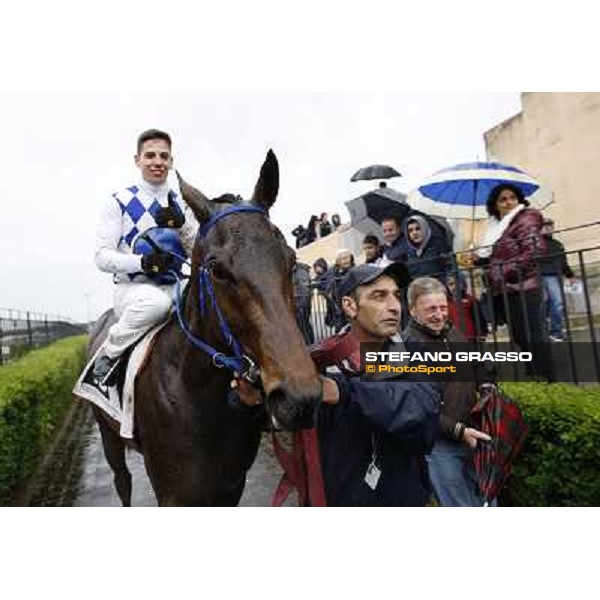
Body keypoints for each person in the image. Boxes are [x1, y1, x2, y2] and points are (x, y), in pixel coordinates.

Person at [316, 264, 441, 506]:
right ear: (350, 306)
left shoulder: (415, 352)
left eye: (396, 295)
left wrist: (345, 393)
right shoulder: (321, 360)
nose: (394, 306)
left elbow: (423, 411)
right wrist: (249, 401)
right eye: (379, 296)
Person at [92, 129, 198, 383]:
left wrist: (182, 225)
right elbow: (102, 256)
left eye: (164, 156)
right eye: (150, 155)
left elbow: (198, 253)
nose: (157, 162)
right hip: (133, 290)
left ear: (171, 161)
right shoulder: (119, 201)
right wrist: (142, 262)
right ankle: (108, 354)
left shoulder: (183, 203)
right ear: (137, 160)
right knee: (156, 305)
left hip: (175, 286)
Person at [402, 277, 491, 507]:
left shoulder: (452, 332)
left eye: (443, 308)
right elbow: (418, 407)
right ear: (413, 311)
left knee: (486, 502)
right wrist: (459, 430)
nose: (440, 315)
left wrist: (486, 386)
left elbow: (474, 363)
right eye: (431, 309)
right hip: (441, 447)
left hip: (473, 435)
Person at [476, 183, 554, 381]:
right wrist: (480, 261)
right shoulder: (498, 226)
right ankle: (535, 375)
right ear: (495, 205)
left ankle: (545, 378)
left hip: (523, 287)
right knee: (521, 336)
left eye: (512, 197)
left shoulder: (525, 219)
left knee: (532, 336)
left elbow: (535, 251)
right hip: (507, 290)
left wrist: (501, 273)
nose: (509, 202)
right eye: (503, 199)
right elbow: (502, 254)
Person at [539, 218, 576, 341]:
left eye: (550, 225)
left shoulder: (557, 244)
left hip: (555, 275)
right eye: (544, 225)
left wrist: (569, 275)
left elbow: (563, 262)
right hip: (540, 276)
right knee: (543, 304)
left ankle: (555, 332)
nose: (548, 228)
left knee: (557, 303)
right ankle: (543, 332)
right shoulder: (535, 243)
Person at [401, 215, 449, 281]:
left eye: (418, 228)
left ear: (424, 228)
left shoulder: (438, 247)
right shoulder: (409, 253)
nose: (414, 233)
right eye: (410, 230)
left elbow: (449, 271)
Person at [446, 272, 488, 342]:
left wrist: (482, 334)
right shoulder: (446, 301)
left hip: (470, 337)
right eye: (450, 284)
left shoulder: (471, 300)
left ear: (463, 284)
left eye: (457, 283)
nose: (454, 287)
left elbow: (479, 319)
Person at [326, 249, 355, 332]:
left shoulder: (355, 271)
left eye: (347, 258)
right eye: (343, 259)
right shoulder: (332, 273)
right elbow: (326, 285)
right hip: (338, 309)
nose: (346, 261)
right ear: (338, 261)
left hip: (351, 308)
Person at [293, 261, 315, 345]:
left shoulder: (300, 270)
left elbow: (304, 289)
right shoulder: (295, 270)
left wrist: (301, 306)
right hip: (298, 304)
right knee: (303, 327)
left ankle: (310, 346)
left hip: (301, 305)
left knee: (304, 327)